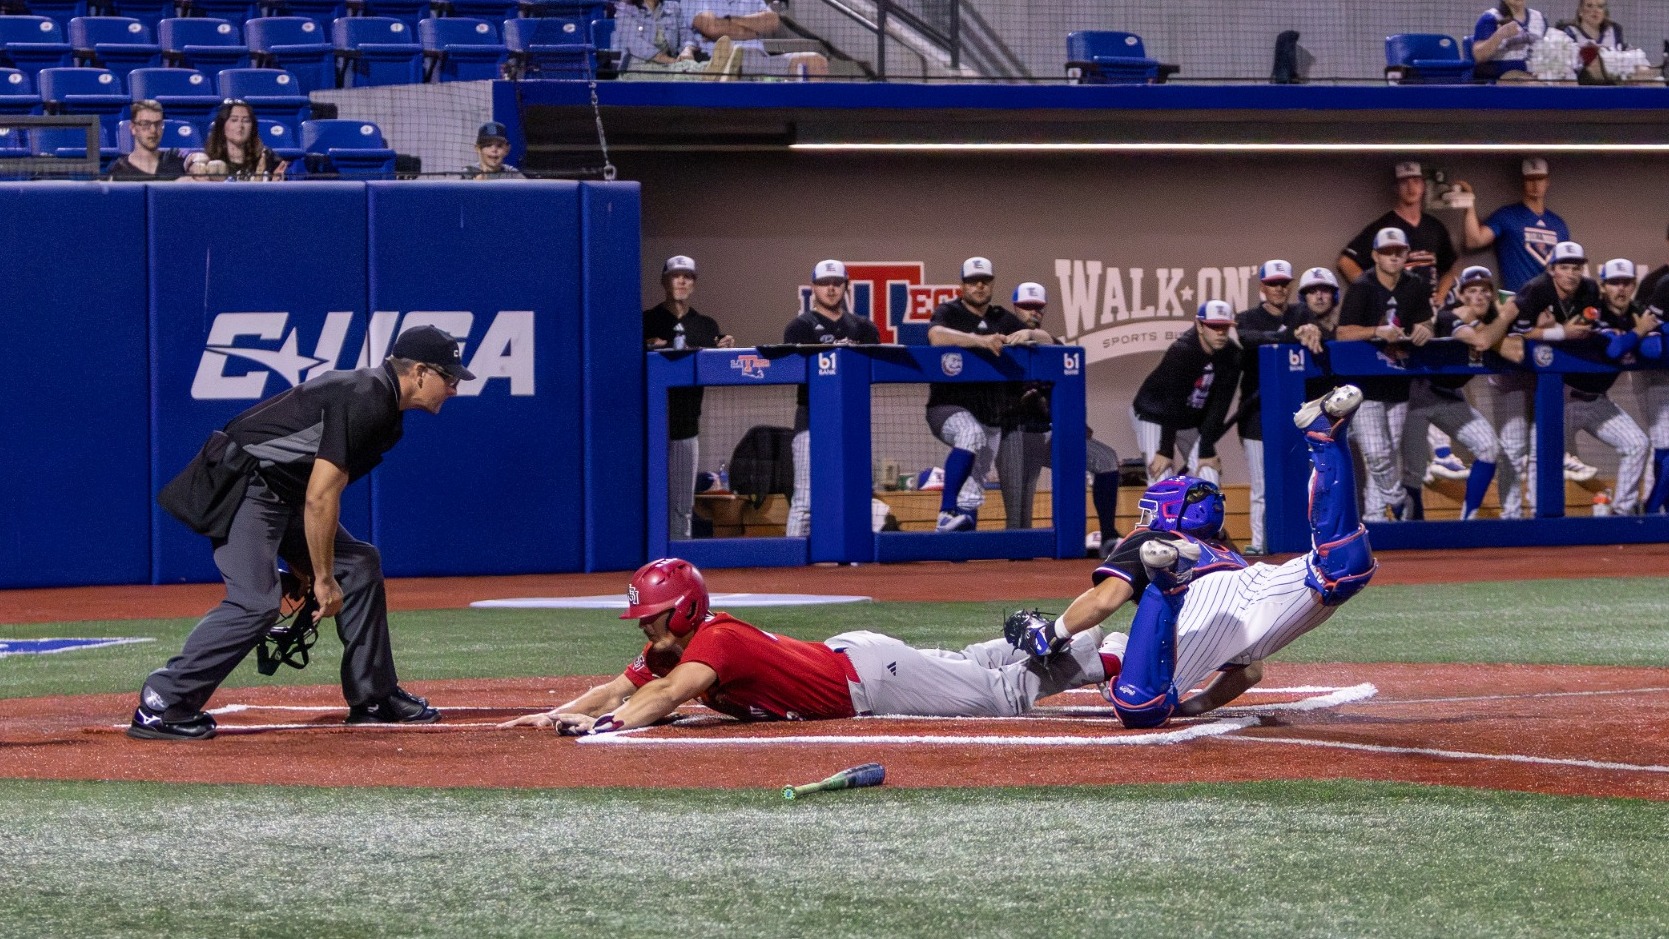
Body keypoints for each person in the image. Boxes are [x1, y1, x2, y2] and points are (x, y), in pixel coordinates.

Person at [130, 325, 474, 740]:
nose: (454, 389)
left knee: (360, 564)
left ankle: (374, 696)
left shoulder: (383, 407)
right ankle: (162, 703)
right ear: (419, 372)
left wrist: (311, 564)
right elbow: (319, 498)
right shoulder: (366, 399)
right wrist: (323, 578)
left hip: (279, 492)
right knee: (256, 603)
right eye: (449, 378)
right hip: (242, 485)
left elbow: (306, 487)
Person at [1008, 385, 1376, 727]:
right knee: (1344, 568)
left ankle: (1166, 584)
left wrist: (1053, 633)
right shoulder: (1228, 554)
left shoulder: (1152, 535)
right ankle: (1325, 439)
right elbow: (1250, 671)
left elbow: (1106, 599)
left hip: (1193, 606)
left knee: (1140, 708)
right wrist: (1194, 707)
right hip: (1252, 585)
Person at [496, 557, 1119, 733]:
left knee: (1004, 698)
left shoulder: (715, 640)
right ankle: (1084, 645)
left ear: (684, 608)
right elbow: (620, 687)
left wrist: (605, 728)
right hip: (858, 662)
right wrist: (563, 713)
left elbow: (664, 696)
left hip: (872, 680)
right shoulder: (676, 644)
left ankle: (1115, 653)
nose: (645, 627)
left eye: (654, 616)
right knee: (976, 668)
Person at [992, 282, 1122, 551]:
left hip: (1047, 435)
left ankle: (1108, 535)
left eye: (1038, 308)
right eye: (1027, 307)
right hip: (1013, 435)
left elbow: (1059, 352)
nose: (1033, 312)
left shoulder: (1048, 346)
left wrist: (1076, 423)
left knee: (1106, 459)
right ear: (1015, 307)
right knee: (1018, 524)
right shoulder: (1000, 339)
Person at [924, 256, 1051, 533]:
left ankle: (960, 552)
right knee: (969, 433)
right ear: (962, 285)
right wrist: (979, 341)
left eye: (984, 281)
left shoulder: (1000, 317)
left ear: (992, 284)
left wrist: (1031, 335)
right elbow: (936, 336)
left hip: (990, 414)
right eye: (972, 281)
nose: (979, 286)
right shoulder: (949, 311)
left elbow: (1050, 340)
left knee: (973, 487)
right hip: (948, 407)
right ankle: (946, 512)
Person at [1337, 227, 1434, 521]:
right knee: (1377, 454)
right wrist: (1377, 331)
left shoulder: (1414, 284)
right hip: (1365, 386)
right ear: (1375, 256)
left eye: (1399, 251)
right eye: (1387, 252)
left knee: (1389, 454)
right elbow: (1343, 333)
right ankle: (1400, 501)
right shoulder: (1363, 286)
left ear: (1406, 254)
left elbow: (1427, 321)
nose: (1394, 257)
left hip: (1398, 382)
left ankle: (1376, 518)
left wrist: (1425, 328)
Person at [1398, 265, 1510, 520]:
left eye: (1485, 291)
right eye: (1472, 290)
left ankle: (1467, 520)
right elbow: (1477, 339)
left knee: (1489, 447)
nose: (1479, 296)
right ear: (1461, 295)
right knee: (1413, 472)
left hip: (1450, 397)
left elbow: (1512, 346)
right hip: (1417, 396)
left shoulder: (1490, 325)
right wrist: (1505, 319)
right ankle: (1413, 535)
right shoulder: (1449, 317)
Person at [782, 259, 879, 538]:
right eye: (825, 283)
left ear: (846, 286)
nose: (832, 288)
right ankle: (794, 559)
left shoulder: (863, 327)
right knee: (805, 499)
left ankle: (854, 557)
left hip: (852, 421)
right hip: (810, 419)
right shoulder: (799, 327)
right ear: (814, 288)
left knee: (856, 492)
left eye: (837, 282)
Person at [1546, 255, 1650, 514]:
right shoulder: (1593, 310)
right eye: (1614, 283)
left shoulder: (1635, 313)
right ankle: (1539, 518)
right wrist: (1639, 332)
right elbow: (1614, 350)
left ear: (1633, 285)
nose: (1621, 288)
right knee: (1545, 457)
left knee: (1637, 444)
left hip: (1597, 401)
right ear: (1603, 287)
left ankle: (1621, 512)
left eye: (1626, 282)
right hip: (1564, 399)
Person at [644, 255, 733, 540]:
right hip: (649, 421)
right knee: (649, 495)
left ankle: (678, 559)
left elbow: (717, 369)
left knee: (683, 502)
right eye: (675, 275)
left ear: (694, 283)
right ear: (663, 281)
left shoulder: (706, 325)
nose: (681, 281)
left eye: (687, 276)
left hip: (687, 420)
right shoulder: (647, 321)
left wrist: (724, 349)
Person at [1234, 259, 1310, 554]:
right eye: (1273, 283)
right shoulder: (1248, 318)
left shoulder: (1302, 313)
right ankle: (1258, 542)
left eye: (1284, 283)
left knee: (1299, 479)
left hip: (1296, 411)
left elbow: (1319, 330)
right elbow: (1246, 339)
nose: (1279, 288)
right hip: (1256, 413)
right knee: (1262, 485)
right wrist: (1289, 336)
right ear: (1262, 287)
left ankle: (1300, 539)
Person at [1130, 300, 1241, 487]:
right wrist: (1165, 450)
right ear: (1199, 325)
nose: (1220, 332)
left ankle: (1194, 516)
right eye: (1214, 326)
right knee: (1161, 478)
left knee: (1209, 479)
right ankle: (1158, 516)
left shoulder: (1232, 354)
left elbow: (1220, 405)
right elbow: (1171, 402)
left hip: (1189, 420)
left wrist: (1206, 449)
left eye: (1225, 326)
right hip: (1154, 415)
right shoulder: (1182, 351)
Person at [1338, 162, 1460, 305]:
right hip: (1396, 308)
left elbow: (1449, 268)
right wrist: (1374, 293)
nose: (1411, 187)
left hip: (1428, 308)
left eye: (1415, 181)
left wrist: (1441, 295)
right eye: (1404, 183)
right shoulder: (1382, 227)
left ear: (1423, 186)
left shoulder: (1435, 227)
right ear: (1396, 188)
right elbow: (1345, 262)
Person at [1456, 157, 1569, 293]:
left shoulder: (1558, 224)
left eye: (1540, 179)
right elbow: (1474, 240)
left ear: (1547, 182)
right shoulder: (1507, 216)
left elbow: (1567, 267)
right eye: (1530, 179)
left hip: (1550, 300)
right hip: (1517, 300)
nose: (1535, 184)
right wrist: (1469, 202)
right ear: (1523, 182)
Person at [683, 0, 826, 78]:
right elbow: (712, 28)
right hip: (722, 61)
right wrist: (754, 30)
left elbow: (772, 21)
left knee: (816, 62)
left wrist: (727, 21)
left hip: (760, 59)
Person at [186, 98, 287, 181]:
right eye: (234, 120)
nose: (240, 126)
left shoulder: (267, 157)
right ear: (222, 126)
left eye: (246, 121)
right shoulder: (206, 160)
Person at [1635, 272, 1669, 512]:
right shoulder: (1662, 284)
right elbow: (1649, 345)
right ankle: (1652, 509)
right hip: (1657, 375)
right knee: (1664, 446)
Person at [612, 0, 709, 80]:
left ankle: (711, 70)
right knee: (685, 71)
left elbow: (687, 34)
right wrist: (674, 62)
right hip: (638, 67)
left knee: (687, 69)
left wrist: (687, 49)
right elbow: (636, 45)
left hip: (671, 65)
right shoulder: (624, 9)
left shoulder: (673, 7)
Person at [107, 99, 189, 181]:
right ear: (133, 128)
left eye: (158, 124)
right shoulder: (119, 171)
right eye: (145, 124)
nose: (153, 130)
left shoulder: (175, 160)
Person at [1472, 0, 1549, 82]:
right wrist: (1499, 35)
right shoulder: (1490, 18)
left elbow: (1549, 50)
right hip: (1502, 78)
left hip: (1537, 74)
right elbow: (1478, 56)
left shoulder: (1539, 18)